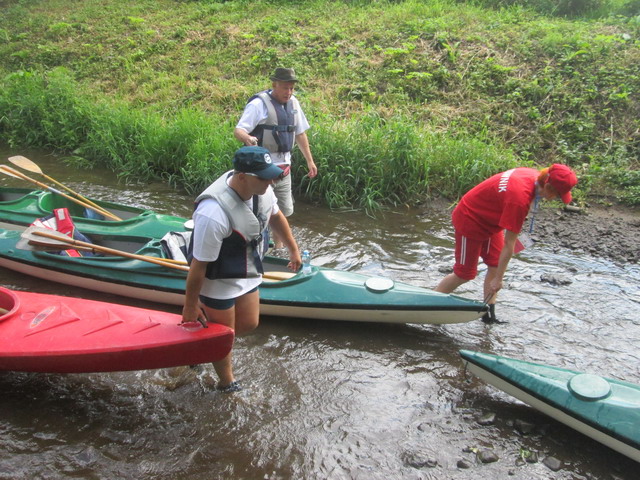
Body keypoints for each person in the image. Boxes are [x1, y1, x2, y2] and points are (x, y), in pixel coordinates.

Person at [182, 146, 302, 392]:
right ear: (242, 177)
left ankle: (201, 346)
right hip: (218, 279)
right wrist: (190, 306)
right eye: (264, 176)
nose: (270, 181)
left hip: (246, 267)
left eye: (271, 174)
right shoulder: (213, 213)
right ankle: (227, 383)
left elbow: (276, 217)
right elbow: (198, 265)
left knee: (248, 323)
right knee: (224, 335)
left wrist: (293, 249)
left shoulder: (263, 190)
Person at [434, 164, 578, 323]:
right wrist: (498, 280)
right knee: (465, 273)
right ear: (549, 187)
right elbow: (510, 244)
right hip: (470, 219)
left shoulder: (531, 175)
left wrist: (498, 275)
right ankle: (429, 307)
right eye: (557, 195)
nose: (555, 199)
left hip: (490, 221)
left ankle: (488, 316)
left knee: (495, 264)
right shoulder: (519, 201)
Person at [234, 67, 317, 247]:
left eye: (291, 88)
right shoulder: (259, 105)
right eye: (285, 88)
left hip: (283, 171)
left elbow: (300, 133)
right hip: (259, 172)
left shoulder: (294, 104)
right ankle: (256, 247)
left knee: (284, 212)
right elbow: (239, 130)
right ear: (274, 85)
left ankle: (278, 249)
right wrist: (247, 138)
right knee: (257, 211)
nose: (289, 92)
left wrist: (310, 161)